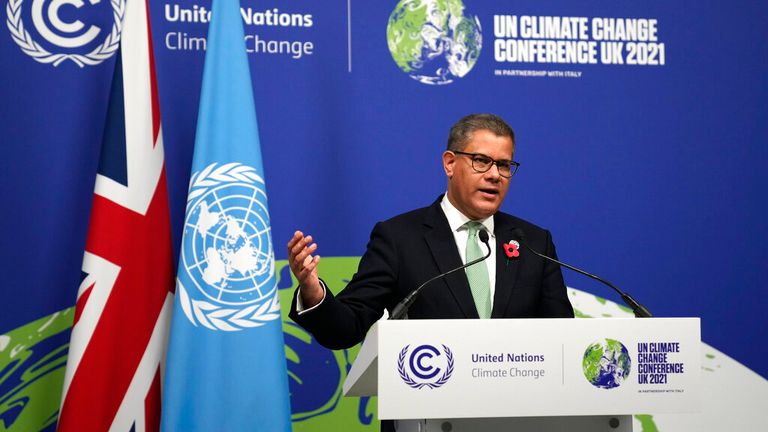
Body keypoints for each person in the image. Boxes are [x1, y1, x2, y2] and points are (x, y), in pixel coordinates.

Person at [287, 114, 574, 351]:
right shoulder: (399, 239)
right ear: (450, 163)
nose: (494, 174)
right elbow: (346, 329)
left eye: (503, 164)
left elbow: (563, 339)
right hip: (427, 411)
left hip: (515, 413)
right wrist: (313, 292)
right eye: (481, 161)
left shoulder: (534, 243)